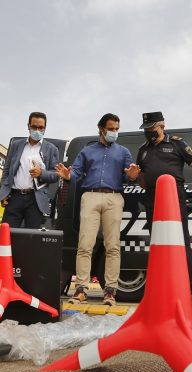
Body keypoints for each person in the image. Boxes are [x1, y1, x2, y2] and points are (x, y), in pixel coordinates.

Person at [55, 113, 139, 306]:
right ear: (101, 128)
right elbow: (75, 172)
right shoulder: (87, 151)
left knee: (113, 246)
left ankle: (110, 291)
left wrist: (133, 176)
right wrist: (68, 175)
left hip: (114, 197)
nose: (114, 132)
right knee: (85, 245)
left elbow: (129, 176)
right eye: (111, 128)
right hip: (90, 196)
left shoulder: (124, 152)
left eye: (117, 129)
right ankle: (81, 289)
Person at [136, 111, 192, 299]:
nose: (148, 132)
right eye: (145, 129)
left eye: (151, 128)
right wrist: (135, 176)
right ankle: (162, 289)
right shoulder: (143, 150)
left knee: (181, 242)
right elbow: (142, 182)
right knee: (157, 244)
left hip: (173, 198)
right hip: (152, 199)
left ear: (162, 126)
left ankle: (189, 290)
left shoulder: (176, 143)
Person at [0, 112, 59, 229]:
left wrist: (41, 173)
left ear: (45, 128)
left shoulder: (51, 149)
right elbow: (6, 171)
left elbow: (55, 175)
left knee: (31, 238)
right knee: (7, 234)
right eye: (34, 127)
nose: (37, 130)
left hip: (35, 200)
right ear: (28, 126)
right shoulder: (16, 145)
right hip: (14, 197)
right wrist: (3, 193)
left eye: (41, 128)